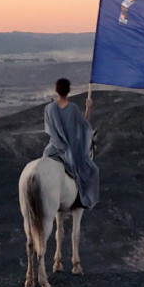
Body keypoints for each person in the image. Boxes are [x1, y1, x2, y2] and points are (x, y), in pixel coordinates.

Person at [42, 78, 99, 209]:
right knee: (93, 170)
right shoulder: (73, 108)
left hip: (52, 149)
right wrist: (88, 107)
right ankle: (83, 201)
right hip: (70, 150)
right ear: (69, 91)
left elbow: (49, 130)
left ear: (56, 90)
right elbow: (84, 125)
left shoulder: (48, 109)